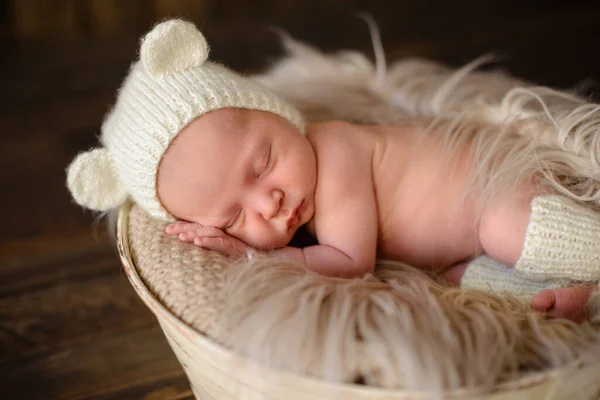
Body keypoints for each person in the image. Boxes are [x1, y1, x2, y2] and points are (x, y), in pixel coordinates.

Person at [66, 19, 598, 321]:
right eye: (231, 217)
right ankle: (576, 289)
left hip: (490, 194)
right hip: (461, 247)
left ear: (282, 117)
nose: (268, 202)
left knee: (505, 228)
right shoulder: (301, 195)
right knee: (464, 281)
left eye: (265, 162)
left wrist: (250, 254)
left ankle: (588, 257)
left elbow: (349, 262)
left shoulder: (335, 150)